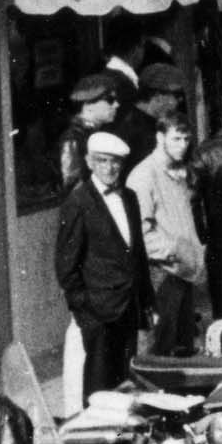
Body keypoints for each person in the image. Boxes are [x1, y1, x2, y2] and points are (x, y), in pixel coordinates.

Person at [52, 125, 152, 407]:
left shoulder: (129, 198)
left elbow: (137, 253)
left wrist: (146, 301)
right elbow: (66, 264)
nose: (109, 168)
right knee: (97, 388)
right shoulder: (78, 202)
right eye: (102, 161)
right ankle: (97, 443)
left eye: (115, 162)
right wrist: (84, 310)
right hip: (98, 311)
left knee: (126, 380)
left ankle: (124, 441)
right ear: (89, 162)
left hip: (127, 307)